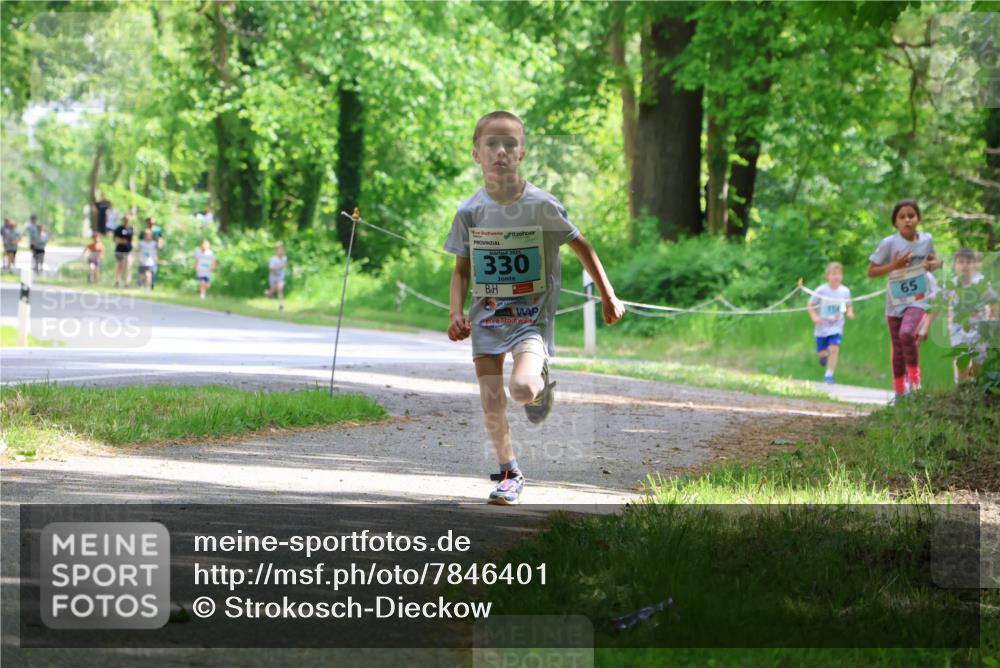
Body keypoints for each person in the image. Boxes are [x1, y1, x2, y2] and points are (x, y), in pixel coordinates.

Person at [444, 110, 625, 505]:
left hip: (530, 320)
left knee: (522, 389)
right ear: (477, 153)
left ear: (522, 152)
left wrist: (608, 295)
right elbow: (461, 271)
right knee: (493, 400)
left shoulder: (542, 205)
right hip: (487, 318)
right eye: (491, 144)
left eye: (510, 143)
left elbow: (582, 246)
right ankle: (509, 473)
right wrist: (455, 313)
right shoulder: (469, 212)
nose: (501, 152)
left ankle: (538, 382)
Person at [867, 199, 942, 396]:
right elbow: (872, 271)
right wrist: (894, 265)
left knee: (907, 333)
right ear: (895, 222)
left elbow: (935, 260)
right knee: (898, 348)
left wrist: (935, 263)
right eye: (902, 217)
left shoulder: (927, 240)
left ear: (918, 218)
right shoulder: (889, 243)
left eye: (911, 215)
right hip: (895, 301)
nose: (907, 220)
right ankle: (900, 392)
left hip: (918, 298)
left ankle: (915, 386)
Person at [945, 248, 998, 384]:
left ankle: (977, 391)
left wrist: (993, 321)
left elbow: (993, 302)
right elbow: (945, 305)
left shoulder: (981, 283)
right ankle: (962, 390)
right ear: (955, 265)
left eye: (969, 262)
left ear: (975, 264)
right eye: (961, 262)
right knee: (961, 361)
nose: (964, 265)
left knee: (977, 365)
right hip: (958, 330)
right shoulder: (952, 284)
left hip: (979, 330)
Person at [806, 262, 855, 384]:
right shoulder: (822, 290)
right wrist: (814, 317)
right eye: (833, 274)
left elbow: (849, 305)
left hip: (836, 325)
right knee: (822, 351)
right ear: (827, 276)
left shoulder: (845, 291)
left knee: (834, 348)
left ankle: (829, 375)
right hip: (822, 326)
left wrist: (849, 312)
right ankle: (822, 356)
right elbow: (810, 304)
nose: (836, 277)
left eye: (839, 274)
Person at [264, 241, 287, 311]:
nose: (281, 252)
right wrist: (278, 267)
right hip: (273, 277)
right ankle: (269, 293)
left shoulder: (284, 258)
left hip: (280, 277)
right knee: (273, 290)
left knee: (280, 289)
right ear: (276, 251)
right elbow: (270, 269)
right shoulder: (273, 259)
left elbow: (285, 265)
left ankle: (281, 305)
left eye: (282, 250)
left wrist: (283, 265)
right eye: (279, 250)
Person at [112, 215, 135, 288]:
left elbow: (133, 239)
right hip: (120, 250)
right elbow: (114, 239)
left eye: (128, 220)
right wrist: (122, 241)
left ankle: (127, 282)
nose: (126, 222)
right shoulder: (118, 229)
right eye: (125, 220)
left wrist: (133, 245)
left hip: (129, 251)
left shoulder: (131, 229)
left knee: (128, 266)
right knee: (119, 266)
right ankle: (117, 281)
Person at [143, 217, 165, 289]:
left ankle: (152, 282)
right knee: (146, 267)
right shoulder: (145, 230)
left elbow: (161, 239)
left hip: (155, 250)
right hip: (146, 251)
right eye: (150, 222)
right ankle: (146, 283)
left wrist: (160, 246)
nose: (151, 223)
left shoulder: (158, 230)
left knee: (154, 267)